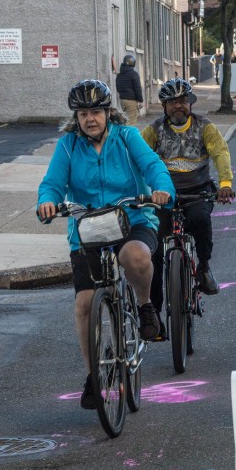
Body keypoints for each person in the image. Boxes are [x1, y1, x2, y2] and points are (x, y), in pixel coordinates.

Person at [38, 80, 174, 409]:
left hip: (133, 218)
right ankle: (94, 376)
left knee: (136, 256)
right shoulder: (68, 146)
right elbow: (53, 183)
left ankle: (144, 306)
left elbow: (153, 166)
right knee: (85, 304)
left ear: (107, 113)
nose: (90, 119)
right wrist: (47, 202)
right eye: (83, 113)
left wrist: (161, 189)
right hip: (88, 229)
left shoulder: (127, 138)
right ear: (77, 117)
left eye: (95, 112)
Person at [142, 78, 234, 310]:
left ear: (190, 103)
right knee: (154, 246)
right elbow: (138, 156)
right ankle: (154, 308)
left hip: (198, 190)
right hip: (163, 194)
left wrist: (224, 183)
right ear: (164, 106)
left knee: (200, 221)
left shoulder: (205, 127)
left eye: (182, 101)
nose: (178, 106)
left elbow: (220, 154)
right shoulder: (154, 130)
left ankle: (203, 267)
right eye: (172, 102)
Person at [115, 53, 144, 125]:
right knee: (131, 123)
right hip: (131, 101)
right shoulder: (133, 74)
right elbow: (138, 88)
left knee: (125, 121)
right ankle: (127, 136)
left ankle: (123, 135)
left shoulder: (120, 75)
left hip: (122, 100)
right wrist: (140, 101)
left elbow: (118, 87)